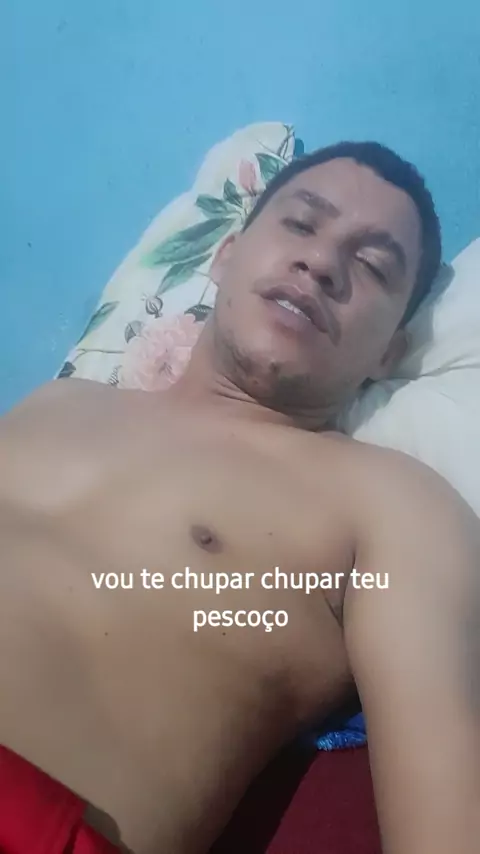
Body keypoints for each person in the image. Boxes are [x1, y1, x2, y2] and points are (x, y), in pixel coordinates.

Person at [1, 141, 479, 854]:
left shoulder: (394, 505)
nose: (321, 263)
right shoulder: (56, 404)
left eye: (373, 266)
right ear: (225, 255)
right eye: (301, 224)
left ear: (389, 351)